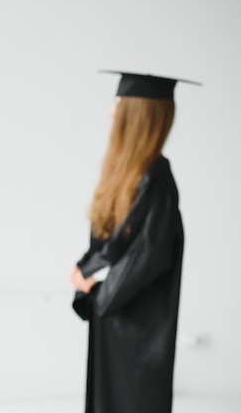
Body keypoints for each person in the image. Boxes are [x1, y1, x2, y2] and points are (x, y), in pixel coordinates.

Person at [70, 71, 199, 413]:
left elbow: (148, 256)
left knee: (131, 398)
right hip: (115, 314)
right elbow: (112, 239)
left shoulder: (156, 178)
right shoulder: (126, 172)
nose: (111, 113)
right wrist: (86, 268)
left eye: (118, 105)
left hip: (138, 321)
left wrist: (97, 291)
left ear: (137, 115)